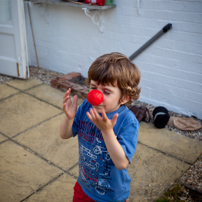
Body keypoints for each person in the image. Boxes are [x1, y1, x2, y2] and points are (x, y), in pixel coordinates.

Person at [60, 52, 141, 202]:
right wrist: (69, 118)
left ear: (124, 97)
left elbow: (121, 162)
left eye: (107, 91)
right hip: (84, 186)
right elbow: (64, 134)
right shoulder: (86, 106)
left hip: (111, 195)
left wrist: (107, 130)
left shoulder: (127, 121)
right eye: (94, 87)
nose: (96, 95)